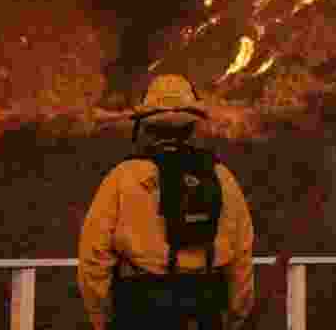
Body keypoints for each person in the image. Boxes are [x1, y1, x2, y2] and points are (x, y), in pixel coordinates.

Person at [79, 74, 256, 330]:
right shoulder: (221, 177)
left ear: (147, 127)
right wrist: (233, 316)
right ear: (192, 126)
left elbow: (93, 258)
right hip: (205, 310)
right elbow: (242, 257)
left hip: (140, 311)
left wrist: (103, 318)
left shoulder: (122, 178)